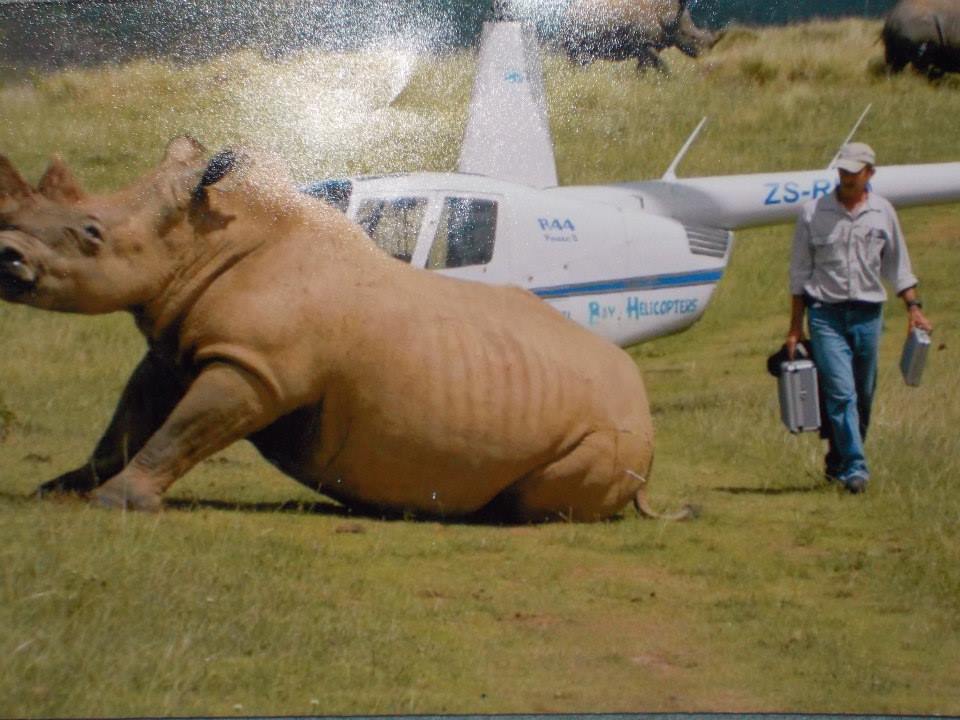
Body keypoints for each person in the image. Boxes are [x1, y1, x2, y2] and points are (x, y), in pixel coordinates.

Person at [786, 142, 933, 494]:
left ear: (870, 173)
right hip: (826, 315)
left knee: (863, 395)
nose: (847, 178)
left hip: (868, 314)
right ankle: (856, 468)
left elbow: (898, 267)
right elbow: (799, 275)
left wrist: (913, 308)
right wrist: (795, 327)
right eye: (843, 171)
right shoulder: (813, 213)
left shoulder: (883, 213)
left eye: (854, 172)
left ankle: (838, 459)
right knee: (841, 394)